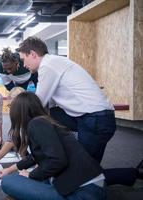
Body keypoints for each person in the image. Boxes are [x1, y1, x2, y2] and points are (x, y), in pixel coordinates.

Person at [16, 36, 140, 186]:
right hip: (93, 118)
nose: (24, 64)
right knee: (52, 117)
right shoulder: (55, 62)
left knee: (83, 174)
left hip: (96, 120)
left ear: (33, 54)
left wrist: (20, 136)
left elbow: (35, 105)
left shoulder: (47, 67)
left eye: (24, 59)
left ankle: (134, 174)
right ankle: (57, 153)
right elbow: (51, 110)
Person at [0, 92, 106, 200]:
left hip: (83, 193)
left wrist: (31, 175)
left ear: (19, 112)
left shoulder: (36, 124)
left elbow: (58, 160)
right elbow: (35, 157)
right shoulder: (44, 122)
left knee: (8, 182)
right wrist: (9, 169)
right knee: (31, 177)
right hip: (90, 187)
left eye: (10, 107)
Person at [0, 86, 25, 167]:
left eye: (11, 106)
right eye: (9, 106)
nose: (10, 110)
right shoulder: (19, 117)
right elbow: (12, 139)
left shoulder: (32, 122)